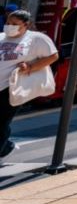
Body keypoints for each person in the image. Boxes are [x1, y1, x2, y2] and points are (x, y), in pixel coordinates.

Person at [0, 10, 58, 160]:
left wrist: (31, 67)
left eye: (14, 24)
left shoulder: (36, 39)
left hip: (12, 87)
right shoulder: (1, 37)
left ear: (26, 25)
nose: (9, 26)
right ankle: (6, 147)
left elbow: (53, 56)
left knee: (1, 121)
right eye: (7, 23)